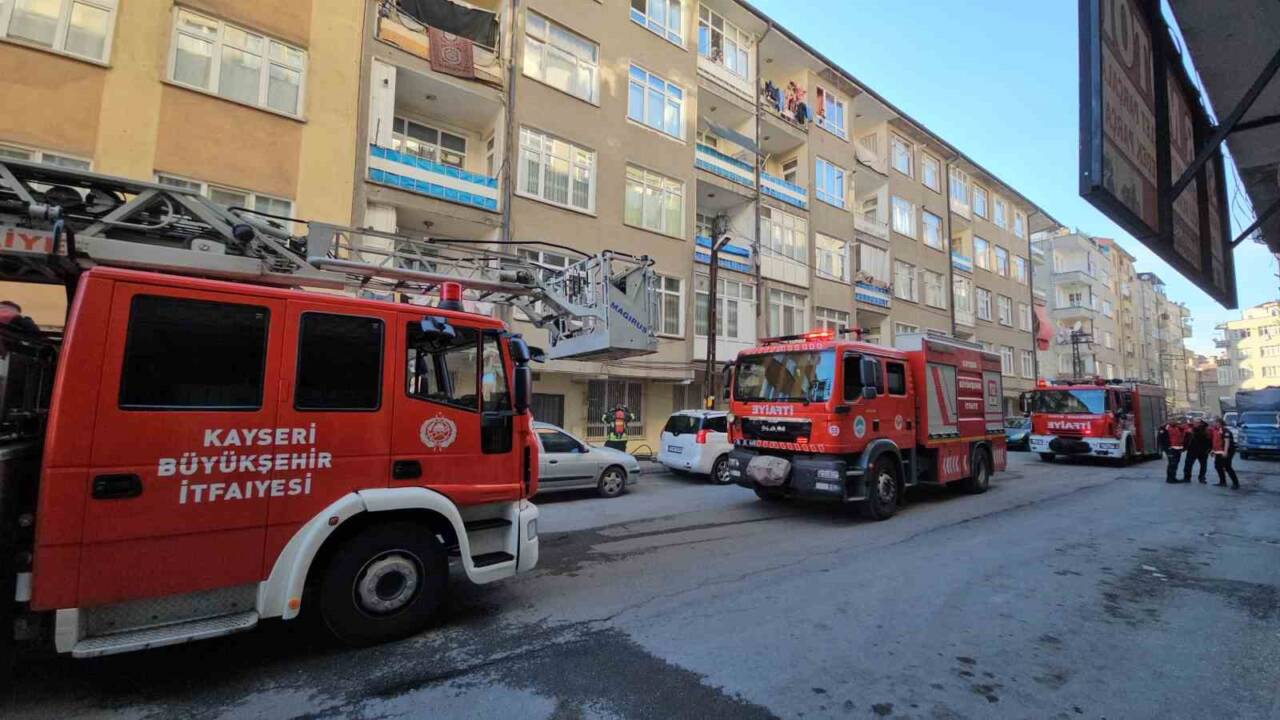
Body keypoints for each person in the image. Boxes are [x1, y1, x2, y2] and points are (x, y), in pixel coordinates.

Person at [1211, 417, 1241, 489]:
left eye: (1214, 422)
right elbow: (1215, 441)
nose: (1213, 423)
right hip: (1219, 451)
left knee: (1227, 467)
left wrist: (1225, 452)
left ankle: (1236, 484)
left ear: (1219, 423)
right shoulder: (1216, 430)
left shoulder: (1225, 431)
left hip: (1227, 451)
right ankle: (1222, 482)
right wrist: (1213, 450)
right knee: (1218, 466)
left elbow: (1227, 442)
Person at [1183, 419, 1212, 484]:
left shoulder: (1205, 430)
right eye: (1195, 422)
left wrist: (1209, 449)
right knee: (1188, 464)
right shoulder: (1191, 429)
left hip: (1203, 450)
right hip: (1192, 450)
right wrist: (1185, 447)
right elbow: (1186, 439)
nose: (1196, 424)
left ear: (1201, 423)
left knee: (1203, 465)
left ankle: (1202, 478)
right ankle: (1187, 478)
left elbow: (1209, 440)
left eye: (1197, 423)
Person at [1159, 418, 1186, 484]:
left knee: (1175, 464)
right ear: (1168, 421)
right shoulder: (1165, 428)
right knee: (1172, 463)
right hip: (1170, 449)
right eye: (1171, 420)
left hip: (1178, 448)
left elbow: (1182, 436)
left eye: (1174, 420)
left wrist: (1182, 447)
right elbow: (1161, 439)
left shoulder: (1178, 427)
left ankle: (1173, 478)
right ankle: (1170, 479)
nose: (1173, 421)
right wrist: (1167, 448)